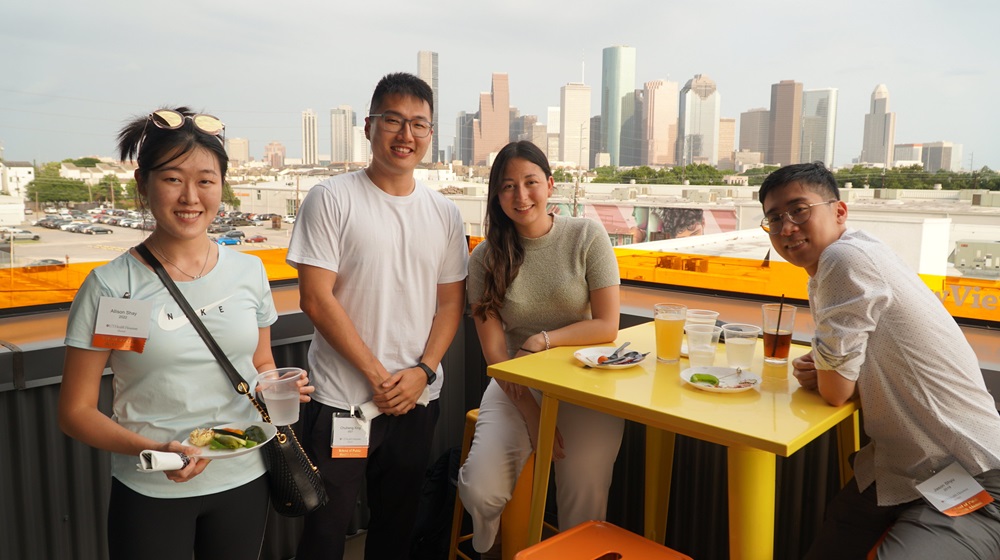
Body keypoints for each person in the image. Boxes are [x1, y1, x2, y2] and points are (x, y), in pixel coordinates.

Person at [58, 107, 313, 560]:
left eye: (206, 180)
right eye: (173, 179)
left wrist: (275, 386)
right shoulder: (116, 287)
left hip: (244, 475)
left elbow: (259, 362)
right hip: (153, 485)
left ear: (222, 186)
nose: (190, 197)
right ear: (143, 184)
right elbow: (75, 411)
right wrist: (157, 449)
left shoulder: (249, 272)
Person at [758, 162, 1000, 559]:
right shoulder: (854, 254)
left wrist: (829, 372)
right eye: (774, 218)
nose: (786, 228)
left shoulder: (843, 259)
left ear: (839, 211)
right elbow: (853, 364)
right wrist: (828, 368)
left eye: (799, 210)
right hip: (901, 468)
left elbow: (836, 391)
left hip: (975, 470)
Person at [286, 72, 468, 560]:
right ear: (368, 127)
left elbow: (451, 303)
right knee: (325, 530)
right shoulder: (331, 198)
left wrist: (423, 371)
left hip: (415, 400)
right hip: (342, 401)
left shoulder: (445, 213)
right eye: (393, 120)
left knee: (397, 526)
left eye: (418, 124)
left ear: (431, 134)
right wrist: (379, 377)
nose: (406, 134)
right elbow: (315, 298)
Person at [458, 141, 624, 556]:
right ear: (497, 196)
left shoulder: (586, 235)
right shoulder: (484, 259)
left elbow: (608, 325)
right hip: (517, 383)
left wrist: (542, 340)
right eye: (508, 186)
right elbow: (496, 354)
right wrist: (533, 416)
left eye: (530, 182)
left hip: (586, 380)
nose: (521, 195)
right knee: (480, 490)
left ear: (550, 185)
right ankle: (491, 539)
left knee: (582, 501)